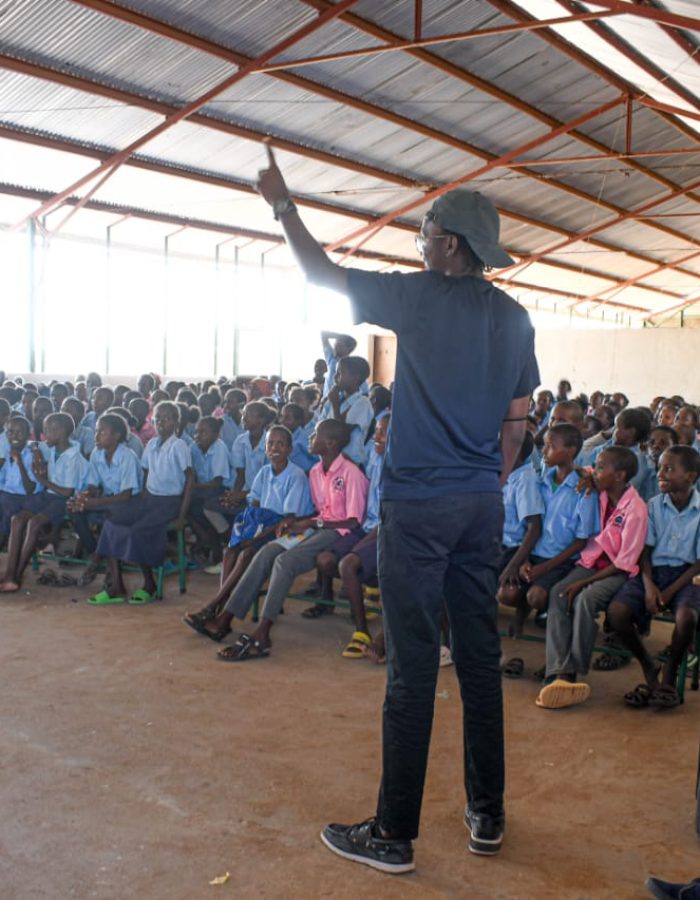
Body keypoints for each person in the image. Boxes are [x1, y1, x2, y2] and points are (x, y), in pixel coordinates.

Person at [256, 147, 539, 871]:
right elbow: (516, 422)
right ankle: (487, 814)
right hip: (480, 504)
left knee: (411, 669)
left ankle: (393, 833)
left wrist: (284, 205)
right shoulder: (514, 317)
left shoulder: (418, 296)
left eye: (424, 232)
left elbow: (322, 273)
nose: (418, 242)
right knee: (476, 659)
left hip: (418, 504)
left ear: (449, 244)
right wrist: (487, 479)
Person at [206, 419, 367, 661]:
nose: (310, 437)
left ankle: (262, 633)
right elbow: (317, 511)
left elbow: (353, 521)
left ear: (331, 443)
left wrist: (312, 523)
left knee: (284, 562)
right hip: (318, 526)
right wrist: (292, 522)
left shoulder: (350, 473)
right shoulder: (315, 471)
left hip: (340, 532)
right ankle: (225, 618)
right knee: (266, 552)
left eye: (315, 435)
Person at [535, 446, 647, 709]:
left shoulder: (637, 509)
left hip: (616, 571)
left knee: (585, 599)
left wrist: (583, 581)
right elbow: (580, 469)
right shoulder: (602, 489)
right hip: (591, 562)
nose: (594, 471)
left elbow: (625, 562)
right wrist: (587, 474)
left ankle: (573, 670)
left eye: (600, 468)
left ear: (619, 476)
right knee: (559, 594)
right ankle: (559, 671)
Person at [182, 424, 313, 640]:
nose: (274, 448)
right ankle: (218, 608)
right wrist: (248, 533)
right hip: (263, 525)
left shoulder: (295, 476)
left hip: (284, 529)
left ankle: (215, 608)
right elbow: (255, 505)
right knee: (230, 551)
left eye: (281, 444)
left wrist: (255, 538)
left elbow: (289, 519)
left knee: (247, 553)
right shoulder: (264, 472)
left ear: (290, 449)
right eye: (270, 443)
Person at [606, 445, 700, 709]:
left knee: (687, 617)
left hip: (686, 576)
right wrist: (649, 586)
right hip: (652, 571)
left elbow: (698, 564)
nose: (661, 474)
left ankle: (669, 673)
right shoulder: (653, 506)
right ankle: (649, 665)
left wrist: (668, 593)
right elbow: (644, 552)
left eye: (669, 469)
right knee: (617, 612)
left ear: (690, 476)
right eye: (660, 467)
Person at [87, 401, 193, 605]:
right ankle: (116, 586)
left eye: (167, 418)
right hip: (149, 499)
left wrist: (181, 515)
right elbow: (146, 473)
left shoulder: (179, 446)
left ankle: (149, 585)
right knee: (112, 522)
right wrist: (142, 499)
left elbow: (189, 480)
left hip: (169, 502)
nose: (161, 422)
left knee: (138, 530)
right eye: (157, 418)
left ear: (176, 422)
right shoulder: (152, 443)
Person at [315, 412, 389, 658]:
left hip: (388, 531)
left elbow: (389, 519)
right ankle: (370, 586)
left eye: (382, 432)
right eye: (376, 429)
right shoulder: (376, 458)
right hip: (367, 525)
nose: (375, 436)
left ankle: (361, 632)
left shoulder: (399, 467)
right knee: (325, 560)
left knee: (349, 563)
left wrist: (359, 546)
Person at [0, 413, 89, 592]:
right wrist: (35, 449)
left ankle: (16, 575)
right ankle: (9, 573)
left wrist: (42, 479)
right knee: (16, 519)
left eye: (49, 430)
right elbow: (31, 443)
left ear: (63, 433)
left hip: (65, 500)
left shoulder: (74, 458)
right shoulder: (50, 447)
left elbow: (67, 491)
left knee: (33, 523)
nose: (44, 434)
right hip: (48, 496)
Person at [67, 412, 142, 584]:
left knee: (110, 515)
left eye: (102, 432)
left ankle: (95, 560)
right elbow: (93, 485)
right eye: (96, 431)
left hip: (130, 503)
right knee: (73, 507)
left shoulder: (127, 456)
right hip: (109, 501)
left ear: (116, 435)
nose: (96, 436)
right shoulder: (96, 453)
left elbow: (126, 496)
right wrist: (84, 497)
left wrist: (94, 502)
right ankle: (97, 552)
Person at [497, 431, 544, 647]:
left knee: (508, 592)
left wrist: (514, 564)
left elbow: (534, 527)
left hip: (512, 548)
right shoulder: (504, 473)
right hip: (492, 543)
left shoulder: (525, 479)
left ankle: (522, 611)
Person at [187, 416, 231, 565]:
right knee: (188, 506)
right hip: (202, 490)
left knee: (200, 503)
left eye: (203, 432)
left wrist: (192, 488)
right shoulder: (193, 447)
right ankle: (210, 543)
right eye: (196, 432)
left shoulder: (219, 447)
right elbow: (190, 474)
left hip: (220, 489)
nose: (198, 436)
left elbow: (217, 482)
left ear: (215, 434)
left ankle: (226, 543)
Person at [321, 356, 373, 466]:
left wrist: (335, 404)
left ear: (356, 377)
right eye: (336, 372)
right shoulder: (333, 399)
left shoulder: (363, 403)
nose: (335, 377)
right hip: (327, 460)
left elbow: (340, 434)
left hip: (349, 464)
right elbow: (320, 428)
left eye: (341, 373)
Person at [0, 415, 45, 537]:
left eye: (20, 433)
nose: (14, 436)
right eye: (10, 432)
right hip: (6, 494)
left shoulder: (32, 455)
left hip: (24, 497)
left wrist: (19, 462)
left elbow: (29, 489)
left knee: (8, 510)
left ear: (28, 435)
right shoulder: (7, 450)